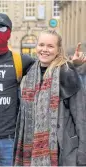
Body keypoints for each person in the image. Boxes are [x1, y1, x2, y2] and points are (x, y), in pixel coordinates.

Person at [0, 13, 85, 166]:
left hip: (11, 140)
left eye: (1, 29)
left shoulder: (21, 60)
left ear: (9, 33)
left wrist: (73, 64)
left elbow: (50, 69)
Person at [14, 30, 86, 166]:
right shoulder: (29, 74)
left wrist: (82, 157)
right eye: (41, 45)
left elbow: (82, 118)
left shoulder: (67, 74)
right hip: (31, 153)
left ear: (58, 50)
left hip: (62, 153)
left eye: (50, 46)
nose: (44, 50)